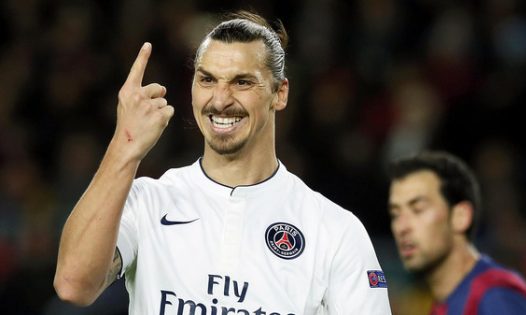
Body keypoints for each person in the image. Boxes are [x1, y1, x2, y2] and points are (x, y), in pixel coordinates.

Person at [53, 11, 392, 315]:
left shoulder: (334, 231)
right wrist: (123, 148)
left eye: (242, 82)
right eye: (207, 79)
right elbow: (73, 284)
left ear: (280, 93)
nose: (220, 100)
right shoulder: (146, 202)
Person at [387, 151, 526, 315]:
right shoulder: (445, 306)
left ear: (460, 217)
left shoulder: (495, 298)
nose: (401, 227)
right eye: (395, 215)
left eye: (418, 210)